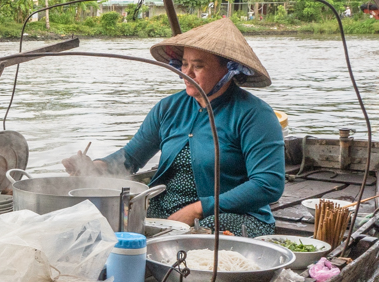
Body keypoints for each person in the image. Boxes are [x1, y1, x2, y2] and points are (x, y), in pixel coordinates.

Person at [63, 17, 285, 236]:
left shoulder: (255, 115)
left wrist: (198, 209)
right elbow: (130, 158)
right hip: (166, 209)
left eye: (198, 66)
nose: (185, 73)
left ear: (228, 71)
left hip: (232, 214)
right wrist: (95, 167)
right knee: (109, 225)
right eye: (184, 64)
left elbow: (268, 184)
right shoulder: (169, 107)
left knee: (205, 232)